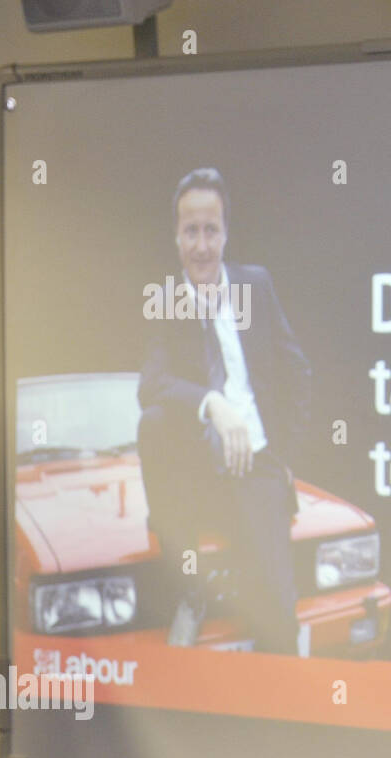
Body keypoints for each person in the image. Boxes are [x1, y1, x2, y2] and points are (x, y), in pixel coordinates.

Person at [137, 167, 313, 656]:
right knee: (151, 423)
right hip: (198, 473)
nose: (200, 245)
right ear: (176, 236)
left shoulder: (254, 286)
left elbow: (298, 372)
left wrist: (284, 458)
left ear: (225, 233)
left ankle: (271, 718)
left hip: (256, 468)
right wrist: (212, 403)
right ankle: (190, 591)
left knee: (277, 615)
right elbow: (150, 385)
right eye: (190, 231)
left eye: (210, 230)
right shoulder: (166, 300)